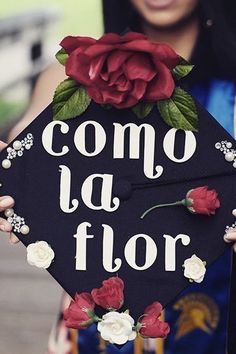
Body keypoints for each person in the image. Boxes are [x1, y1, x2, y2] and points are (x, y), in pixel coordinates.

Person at [1, 0, 236, 353]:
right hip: (96, 319)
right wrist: (10, 171)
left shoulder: (230, 93)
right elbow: (27, 140)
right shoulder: (76, 76)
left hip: (210, 316)